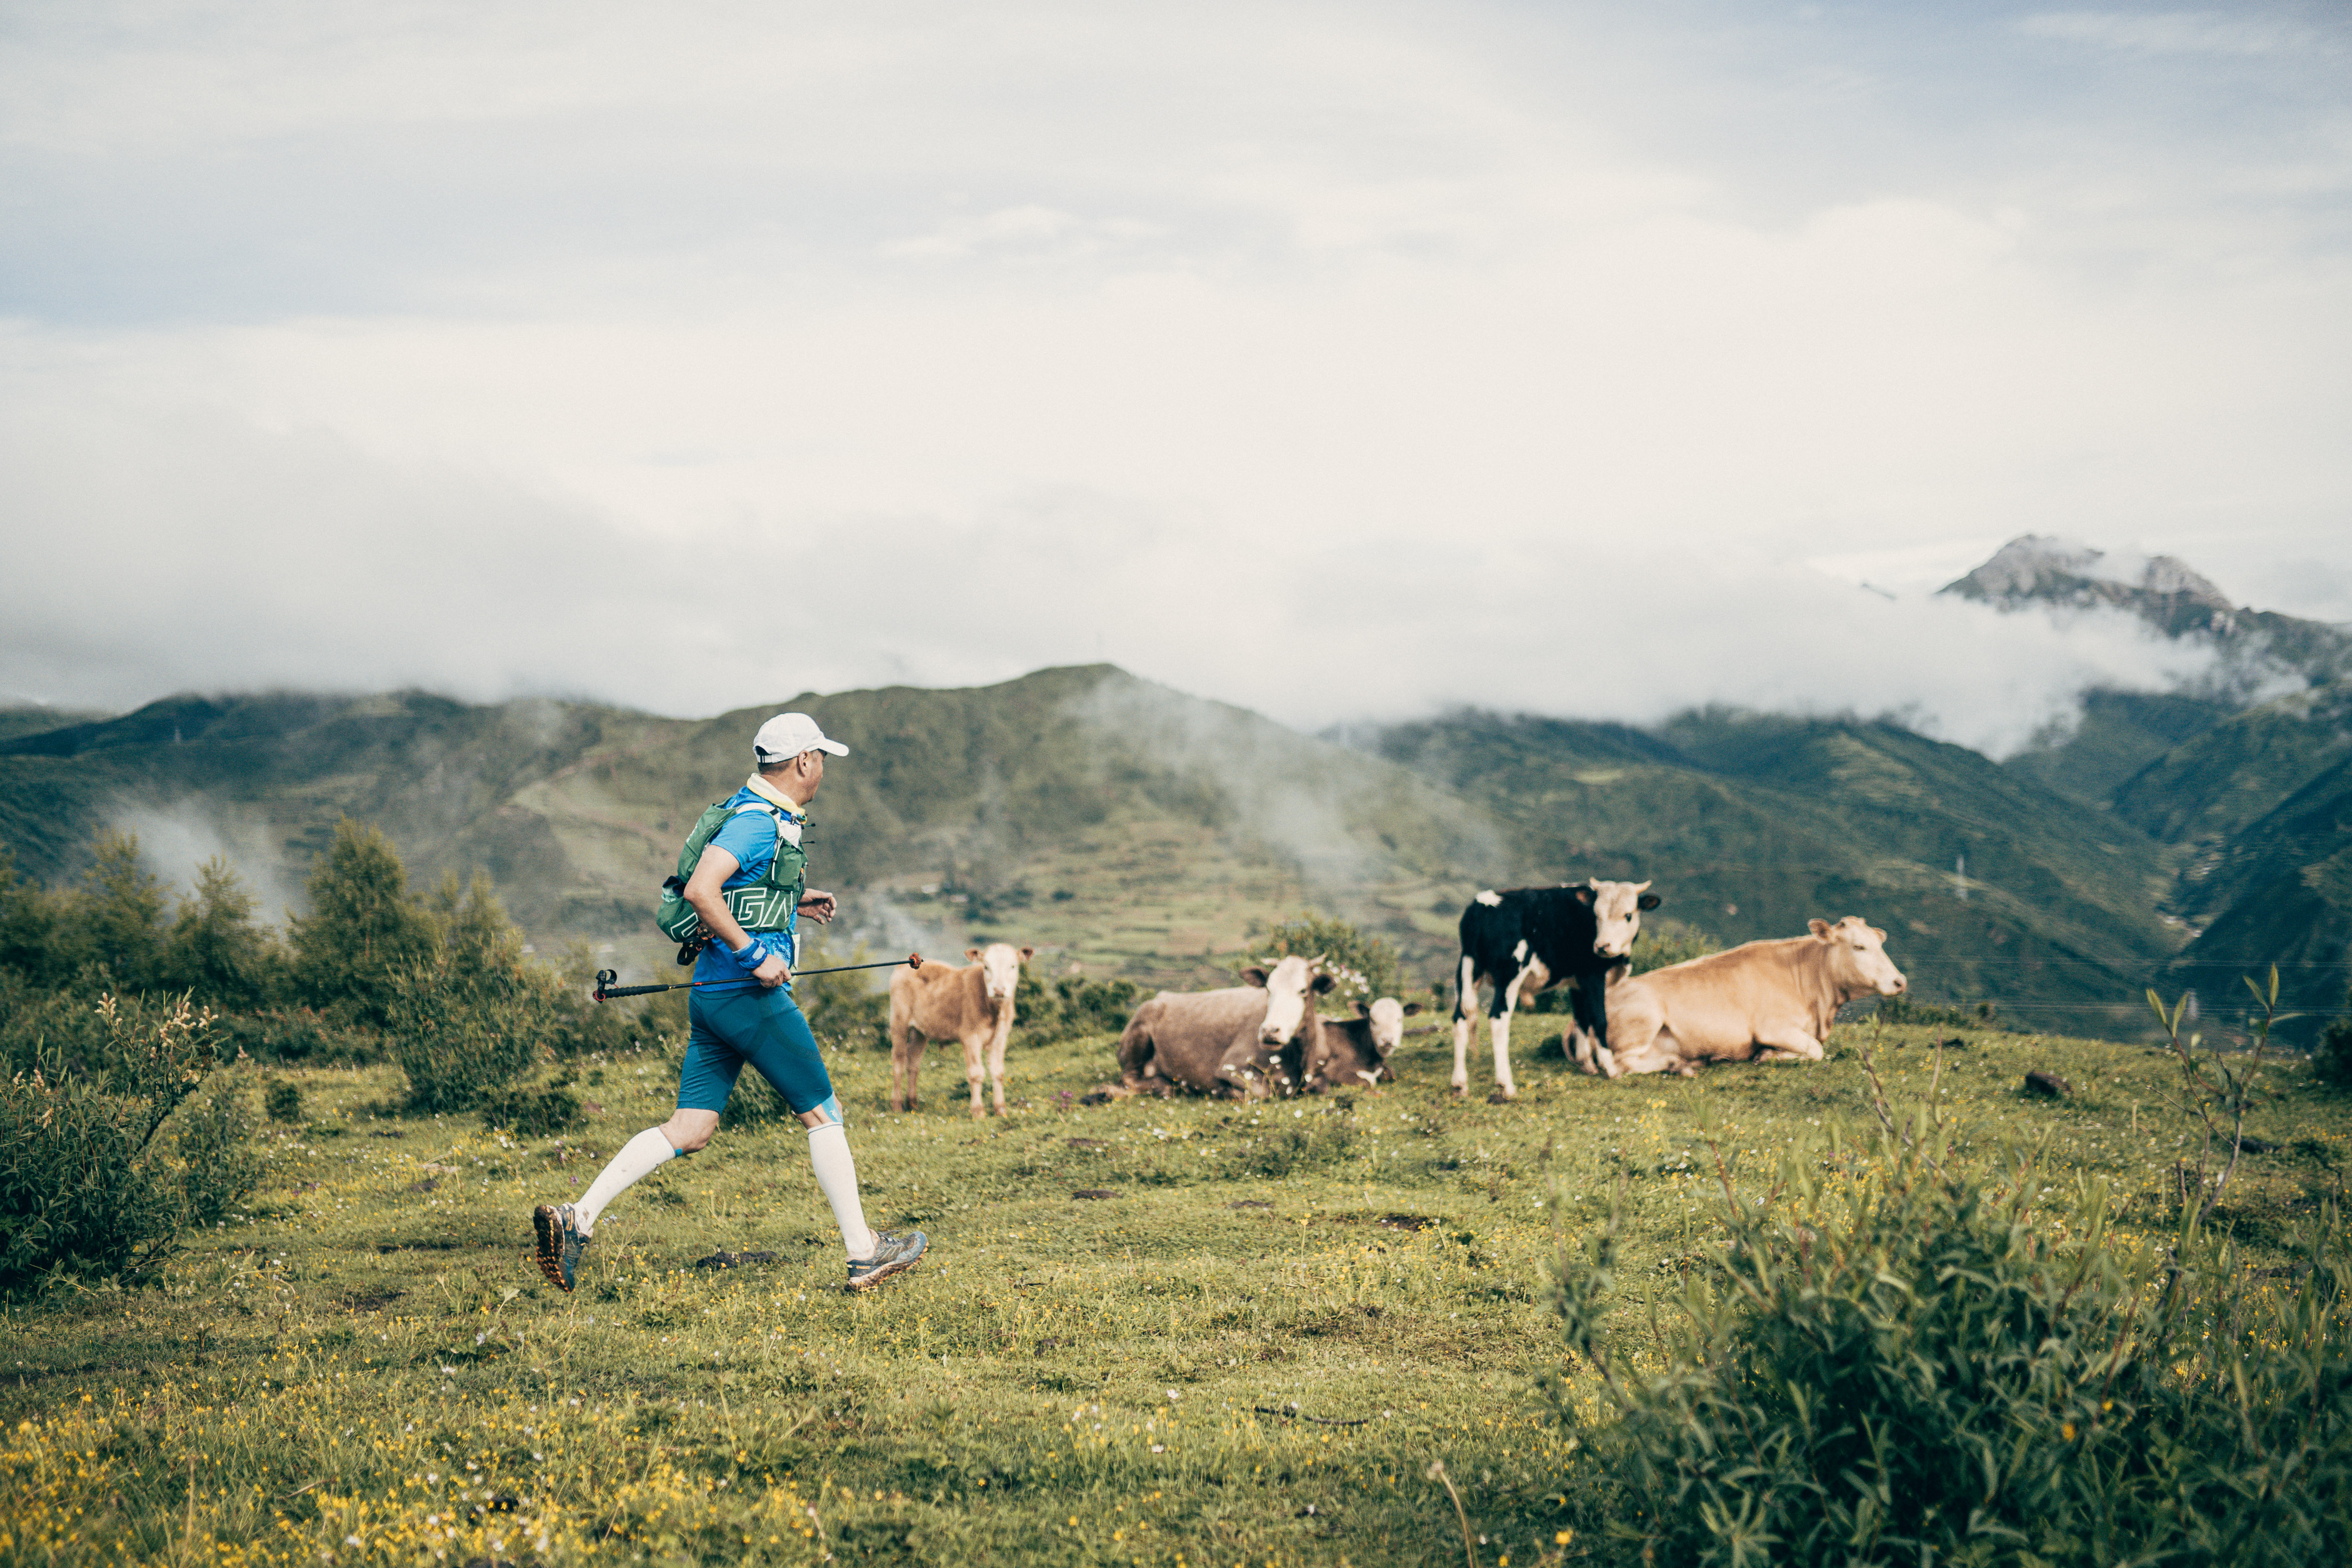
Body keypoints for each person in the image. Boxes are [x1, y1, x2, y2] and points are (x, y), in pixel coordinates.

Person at [532, 712, 927, 1293]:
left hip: (713, 997)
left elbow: (735, 891)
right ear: (803, 762)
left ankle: (577, 1218)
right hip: (748, 996)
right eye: (820, 758)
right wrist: (755, 955)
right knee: (823, 1112)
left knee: (690, 1128)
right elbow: (701, 890)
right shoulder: (757, 824)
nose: (822, 769)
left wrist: (791, 902)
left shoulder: (753, 811)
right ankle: (864, 1252)